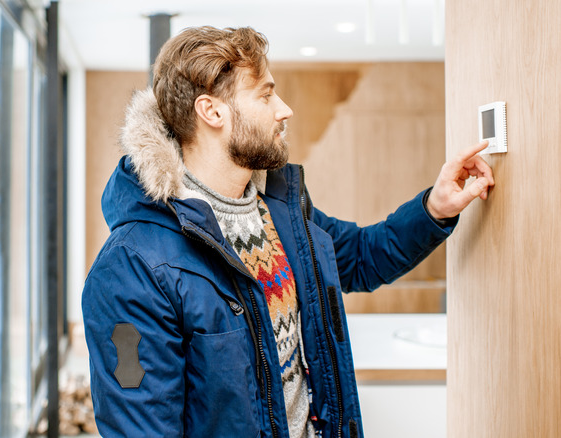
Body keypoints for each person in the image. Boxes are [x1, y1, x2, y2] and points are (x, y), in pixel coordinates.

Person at [82, 26, 494, 438]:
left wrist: (435, 209)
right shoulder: (131, 268)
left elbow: (363, 257)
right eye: (265, 94)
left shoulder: (280, 208)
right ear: (212, 112)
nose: (284, 109)